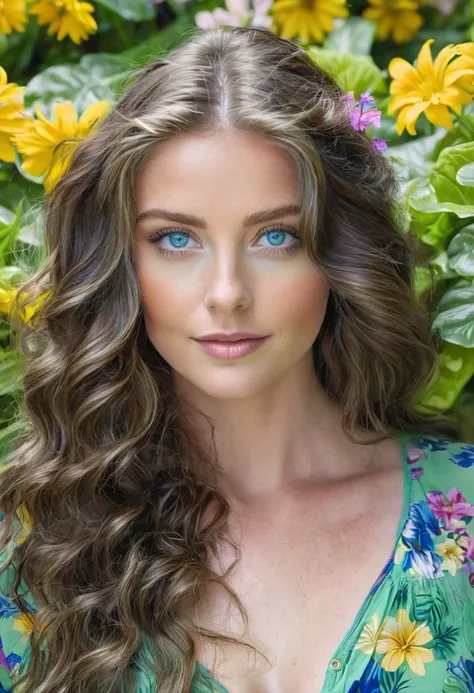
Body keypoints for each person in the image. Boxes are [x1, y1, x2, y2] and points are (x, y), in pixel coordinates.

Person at [0, 24, 473, 693]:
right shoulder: (37, 550)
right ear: (121, 263)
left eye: (275, 235)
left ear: (339, 254)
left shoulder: (467, 513)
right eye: (175, 239)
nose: (226, 293)